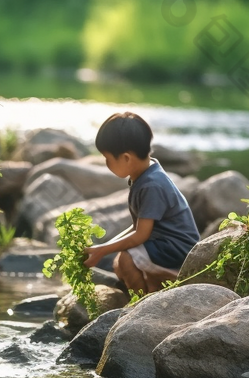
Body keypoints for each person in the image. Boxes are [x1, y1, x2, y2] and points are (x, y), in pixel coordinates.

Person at [83, 111, 200, 294]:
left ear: (126, 158)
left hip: (177, 250)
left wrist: (103, 250)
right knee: (119, 264)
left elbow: (140, 235)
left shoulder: (151, 185)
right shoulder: (145, 174)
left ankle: (140, 306)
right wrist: (101, 249)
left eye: (107, 159)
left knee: (126, 260)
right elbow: (138, 227)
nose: (106, 163)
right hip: (163, 244)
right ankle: (151, 291)